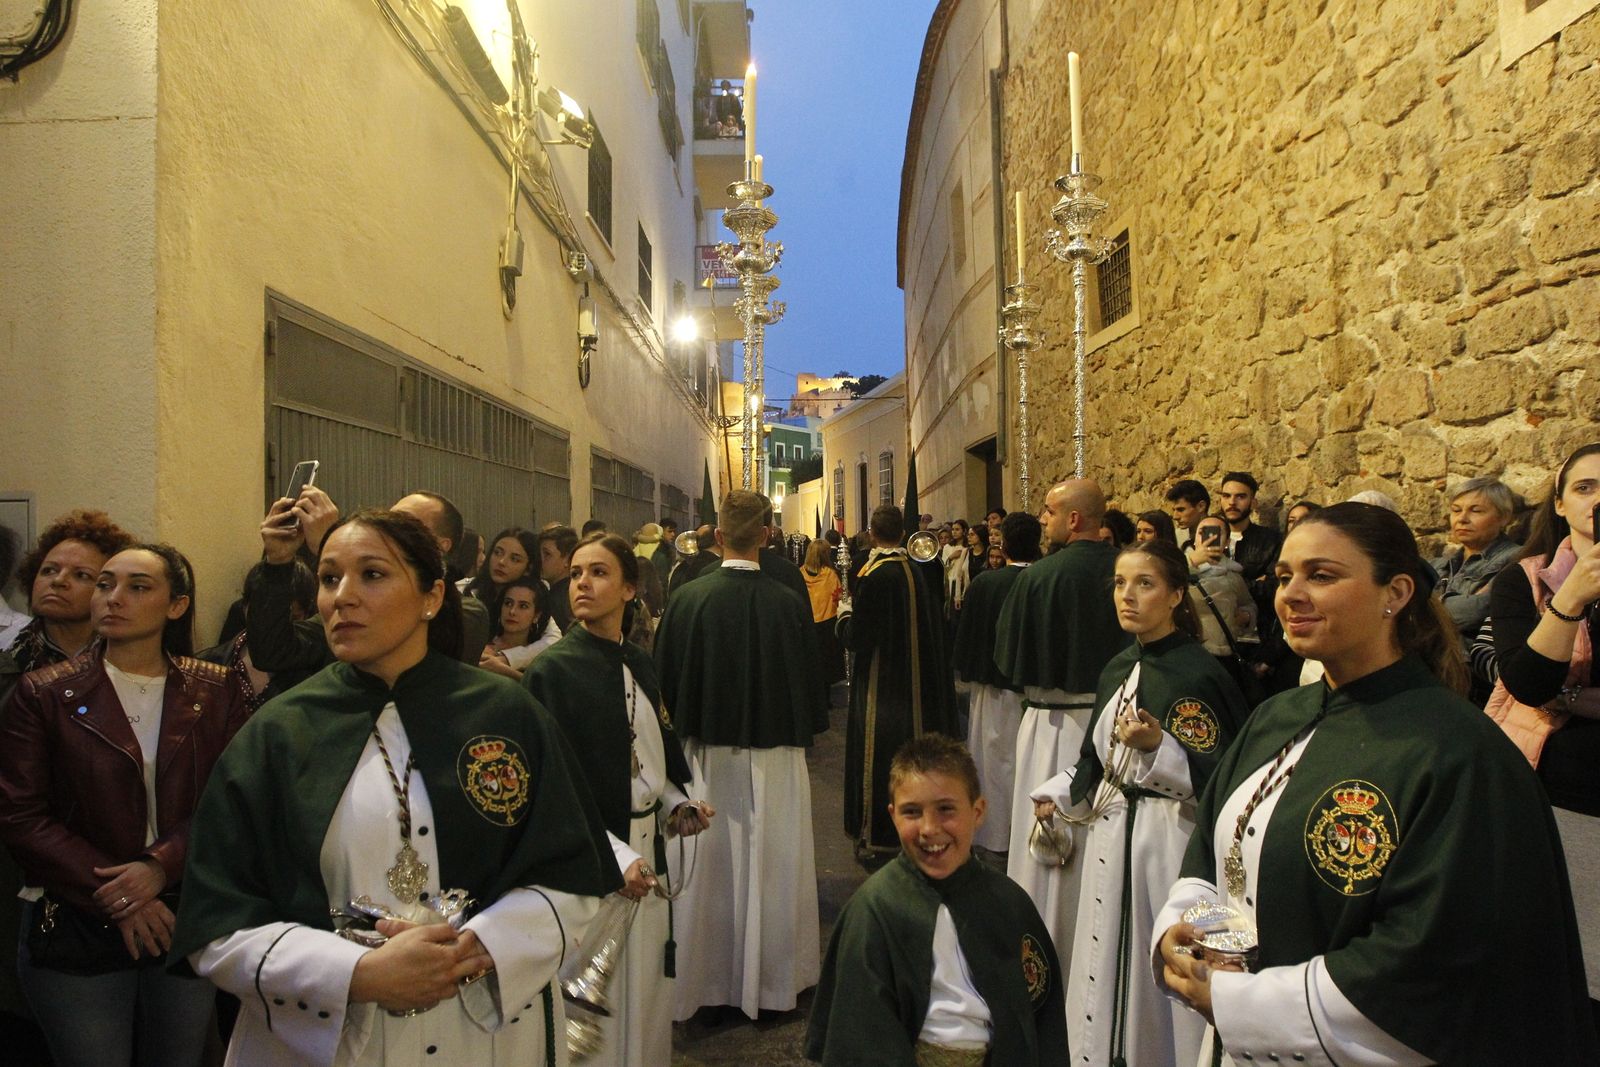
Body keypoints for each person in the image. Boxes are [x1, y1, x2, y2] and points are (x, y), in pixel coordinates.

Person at [1154, 502, 1599, 1065]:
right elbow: (1219, 861)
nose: (1290, 593)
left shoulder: (1459, 753)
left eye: (1322, 575)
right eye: (1286, 575)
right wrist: (1194, 936)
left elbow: (1438, 955)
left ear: (1396, 593)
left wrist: (1243, 1001)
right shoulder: (1275, 718)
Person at [173, 508, 621, 1066]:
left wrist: (482, 947)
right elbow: (216, 920)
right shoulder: (277, 732)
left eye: (373, 575)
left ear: (432, 596)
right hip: (323, 1038)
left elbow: (574, 870)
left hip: (480, 1028)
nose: (343, 597)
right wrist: (356, 971)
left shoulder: (507, 713)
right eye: (330, 578)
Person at [0, 543, 251, 1067]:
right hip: (75, 918)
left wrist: (159, 868)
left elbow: (233, 803)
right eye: (106, 584)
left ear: (176, 606)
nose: (113, 598)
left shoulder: (218, 690)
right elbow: (21, 816)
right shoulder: (43, 693)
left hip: (181, 913)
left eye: (138, 587)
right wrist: (120, 892)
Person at [1031, 540, 1246, 1067]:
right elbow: (1096, 759)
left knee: (1158, 973)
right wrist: (1059, 794)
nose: (1127, 596)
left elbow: (1226, 778)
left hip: (1167, 841)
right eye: (1120, 584)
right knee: (1104, 961)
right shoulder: (1117, 667)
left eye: (1144, 584)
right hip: (1112, 832)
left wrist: (1161, 750)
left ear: (1176, 595)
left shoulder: (1197, 675)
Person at [523, 533, 714, 1067]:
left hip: (648, 854)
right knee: (590, 1006)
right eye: (577, 572)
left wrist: (678, 802)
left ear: (631, 588)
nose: (582, 582)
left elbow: (654, 750)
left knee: (646, 993)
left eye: (599, 572)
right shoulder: (551, 673)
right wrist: (613, 856)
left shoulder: (638, 661)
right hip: (592, 860)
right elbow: (552, 787)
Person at [653, 490, 829, 1022]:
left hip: (706, 756)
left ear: (719, 536)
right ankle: (774, 980)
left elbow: (665, 683)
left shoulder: (687, 599)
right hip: (776, 757)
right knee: (773, 863)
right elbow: (811, 683)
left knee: (709, 871)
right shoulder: (788, 602)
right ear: (768, 535)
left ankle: (705, 979)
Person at [804, 735, 1068, 1066]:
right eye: (912, 812)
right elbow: (862, 1039)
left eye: (946, 809)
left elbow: (1041, 1024)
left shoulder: (1009, 904)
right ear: (893, 815)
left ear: (978, 811)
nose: (929, 828)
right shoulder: (874, 912)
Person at [992, 479, 1130, 965]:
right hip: (1118, 730)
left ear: (1074, 519)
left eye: (1049, 512)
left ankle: (1043, 942)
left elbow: (1009, 663)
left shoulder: (1038, 577)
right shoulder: (1132, 573)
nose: (1043, 520)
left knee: (1047, 849)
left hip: (1053, 729)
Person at [250, 487, 492, 669]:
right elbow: (273, 653)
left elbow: (432, 648)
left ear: (440, 546)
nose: (344, 597)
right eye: (331, 579)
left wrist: (332, 544)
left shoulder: (469, 611)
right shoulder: (347, 609)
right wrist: (278, 562)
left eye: (405, 525)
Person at [1483, 444, 1600, 803]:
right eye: (1585, 488)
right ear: (1559, 504)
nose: (1598, 500)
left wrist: (1567, 696)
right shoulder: (1523, 579)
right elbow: (1528, 685)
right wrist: (1571, 597)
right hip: (1558, 777)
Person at [838, 505, 958, 857]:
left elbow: (859, 637)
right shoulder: (917, 569)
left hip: (884, 685)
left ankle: (881, 834)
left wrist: (844, 617)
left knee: (883, 755)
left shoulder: (875, 575)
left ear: (873, 534)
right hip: (919, 680)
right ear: (903, 534)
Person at [951, 513, 1042, 862]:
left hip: (993, 688)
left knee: (993, 763)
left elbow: (968, 634)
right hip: (1036, 691)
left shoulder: (987, 584)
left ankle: (995, 833)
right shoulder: (1043, 579)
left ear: (1002, 543)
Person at [9, 510, 134, 674]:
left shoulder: (135, 663)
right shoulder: (9, 664)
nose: (58, 580)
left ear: (111, 590)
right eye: (49, 571)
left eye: (81, 575)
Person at [197, 559, 320, 712]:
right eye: (262, 614)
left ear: (307, 616)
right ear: (245, 607)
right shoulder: (205, 667)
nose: (273, 628)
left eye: (292, 619)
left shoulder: (315, 671)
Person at [1428, 478, 1520, 650]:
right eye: (1456, 510)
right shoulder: (1438, 565)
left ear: (1504, 518)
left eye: (1476, 511)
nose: (1462, 519)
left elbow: (1481, 609)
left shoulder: (1516, 559)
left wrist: (1429, 606)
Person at [478, 576, 560, 679]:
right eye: (508, 603)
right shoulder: (481, 643)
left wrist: (505, 670)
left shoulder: (539, 659)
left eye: (523, 606)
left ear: (536, 616)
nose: (512, 611)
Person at [802, 538, 846, 685]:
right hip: (827, 624)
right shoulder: (830, 575)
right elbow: (839, 597)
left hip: (807, 624)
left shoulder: (799, 574)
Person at [461, 527, 539, 607]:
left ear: (529, 568)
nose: (501, 562)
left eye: (514, 559)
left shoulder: (534, 606)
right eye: (497, 553)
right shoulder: (467, 592)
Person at [536, 524, 579, 632]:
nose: (540, 559)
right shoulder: (558, 592)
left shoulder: (565, 596)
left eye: (547, 554)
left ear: (567, 559)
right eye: (539, 553)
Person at [1164, 481, 1210, 548]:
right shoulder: (1178, 537)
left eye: (1181, 510)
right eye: (1174, 510)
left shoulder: (1222, 534)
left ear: (1201, 506)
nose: (1175, 516)